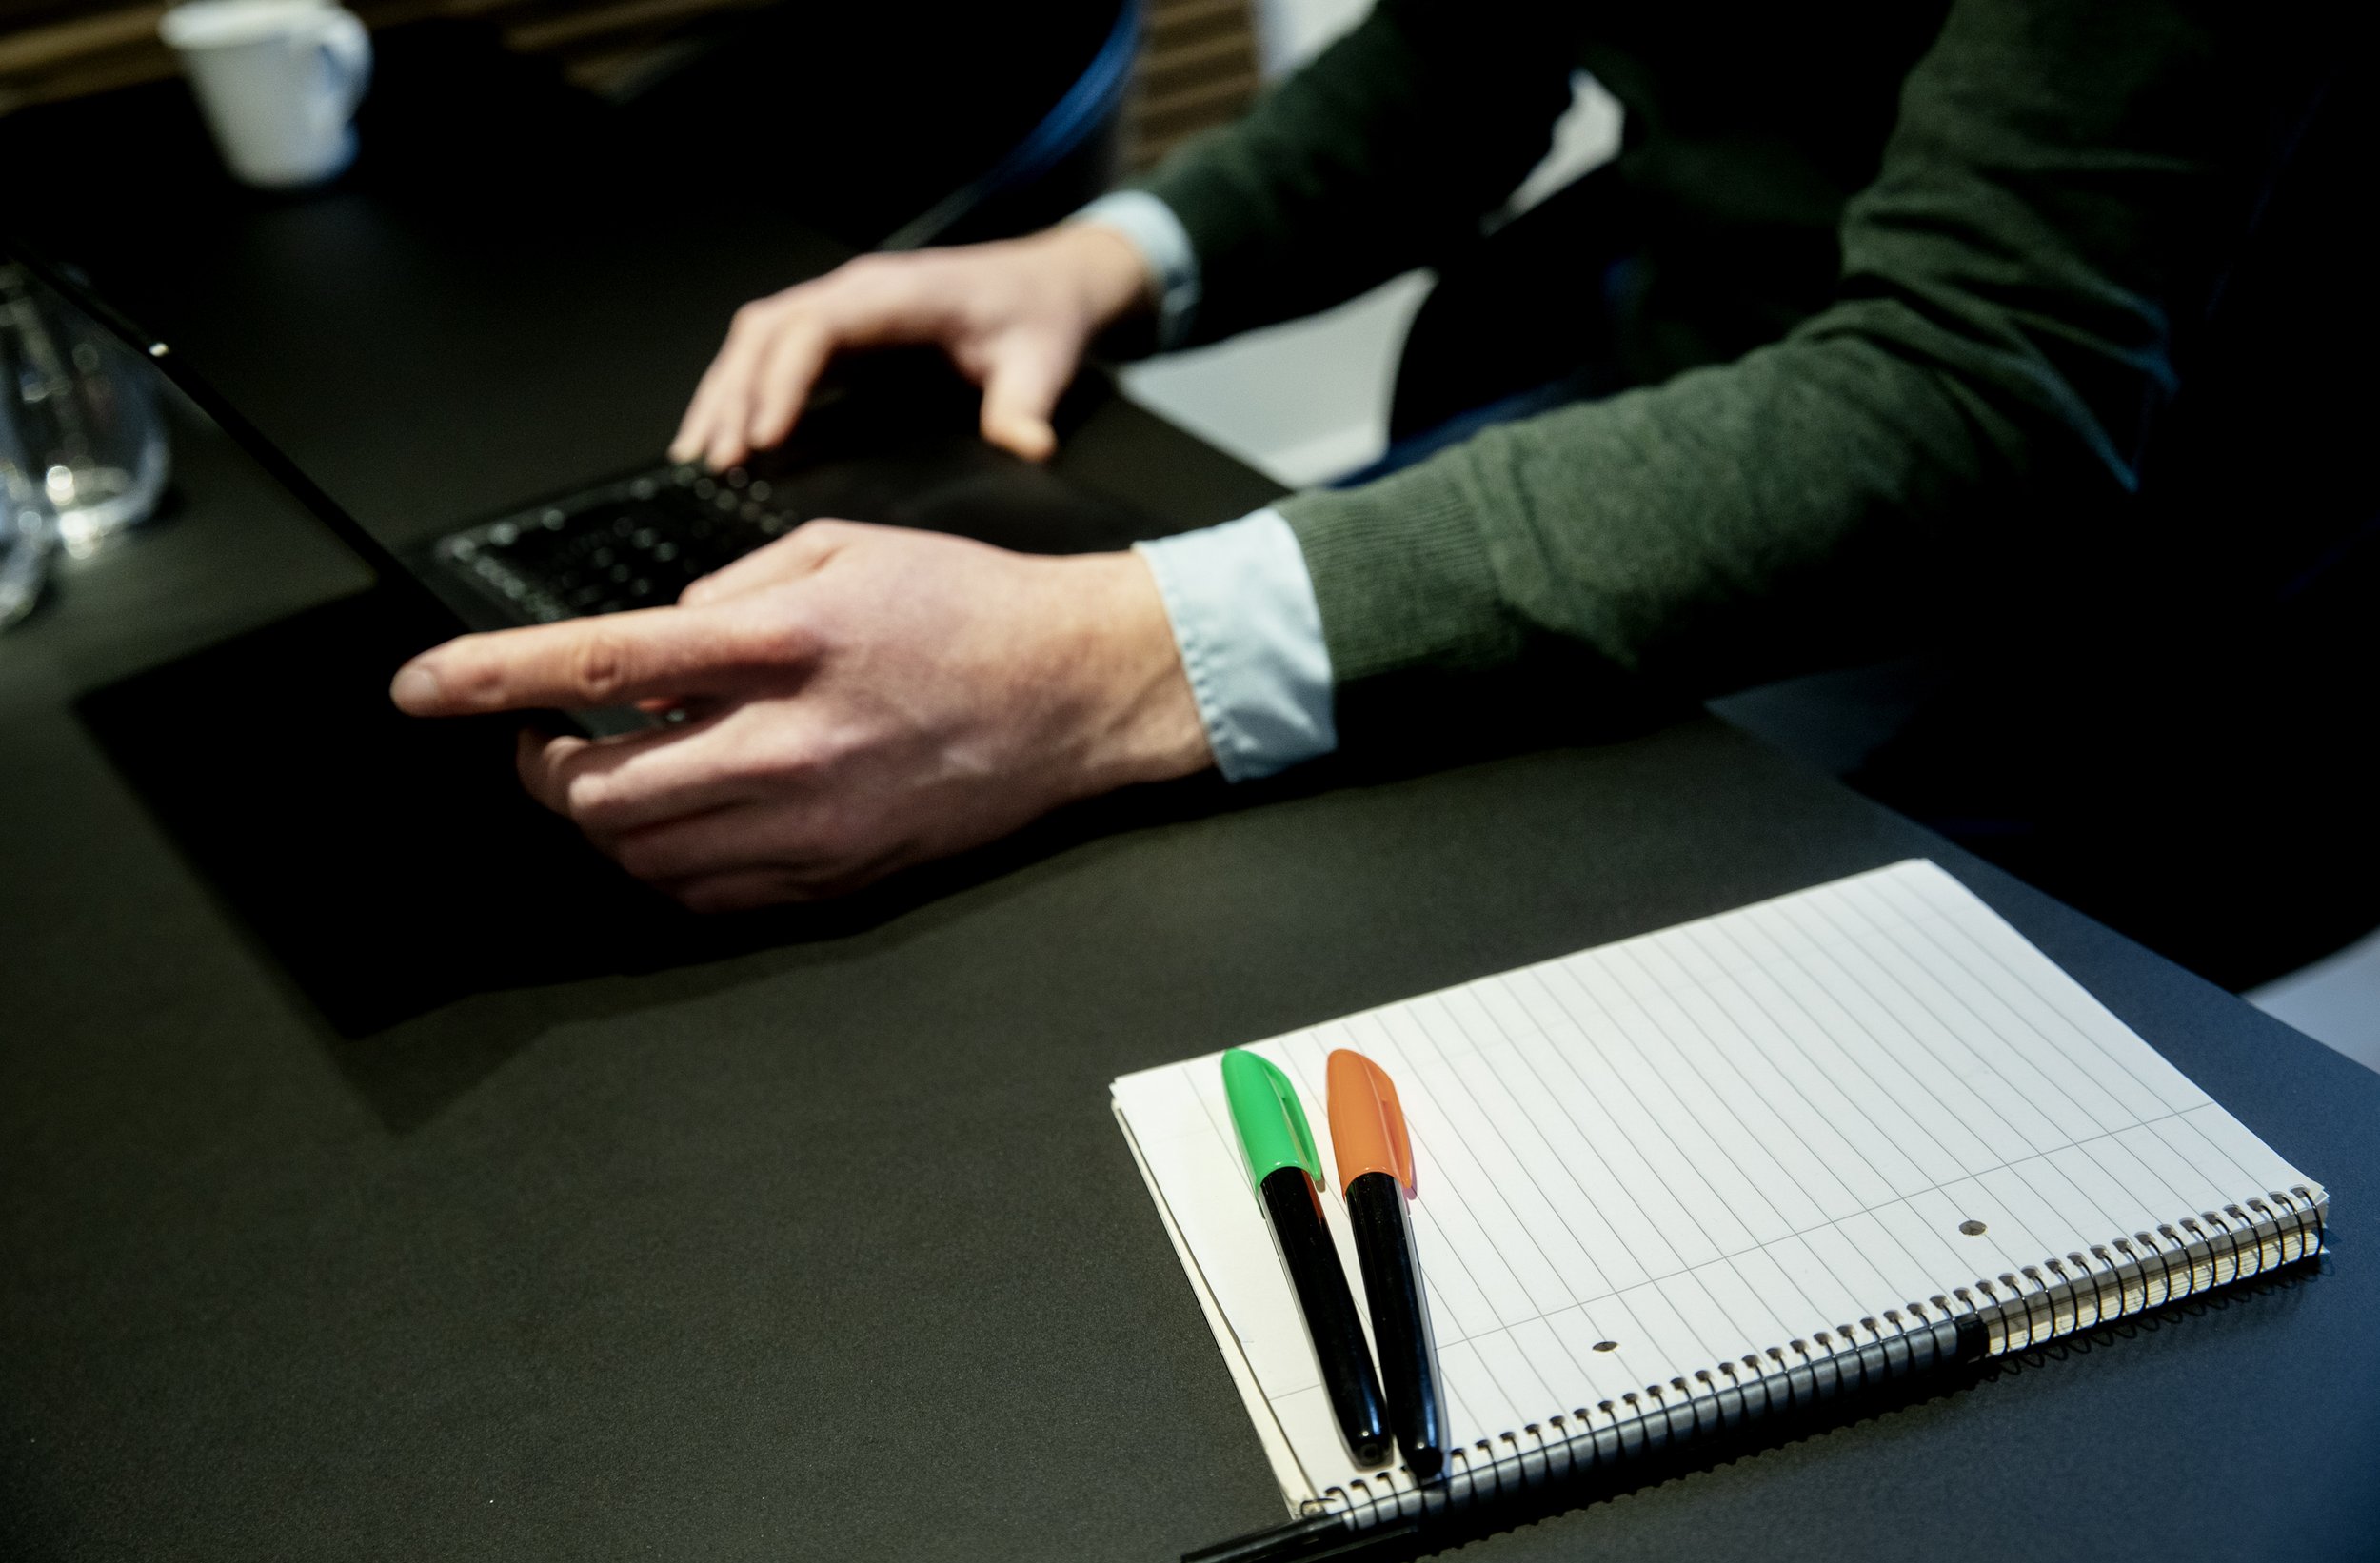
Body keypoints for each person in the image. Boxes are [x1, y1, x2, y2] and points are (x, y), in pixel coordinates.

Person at [388, 0, 2362, 941]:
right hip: (1696, 356)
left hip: (2100, 558)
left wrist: (1109, 660)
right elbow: (1463, 53)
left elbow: (1976, 385)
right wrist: (1111, 258)